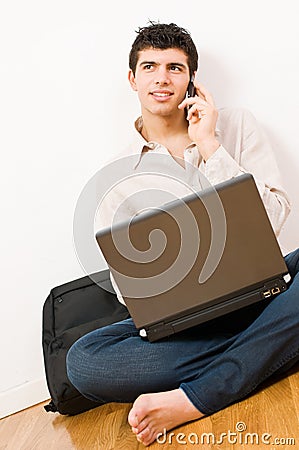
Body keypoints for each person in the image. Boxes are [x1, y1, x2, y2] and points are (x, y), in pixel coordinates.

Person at [66, 22, 299, 446]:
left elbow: (273, 219)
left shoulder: (235, 126)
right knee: (83, 362)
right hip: (190, 327)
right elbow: (126, 288)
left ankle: (199, 395)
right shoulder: (117, 176)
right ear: (133, 79)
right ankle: (273, 344)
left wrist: (210, 145)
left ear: (192, 78)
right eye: (150, 66)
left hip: (265, 294)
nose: (162, 78)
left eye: (175, 67)